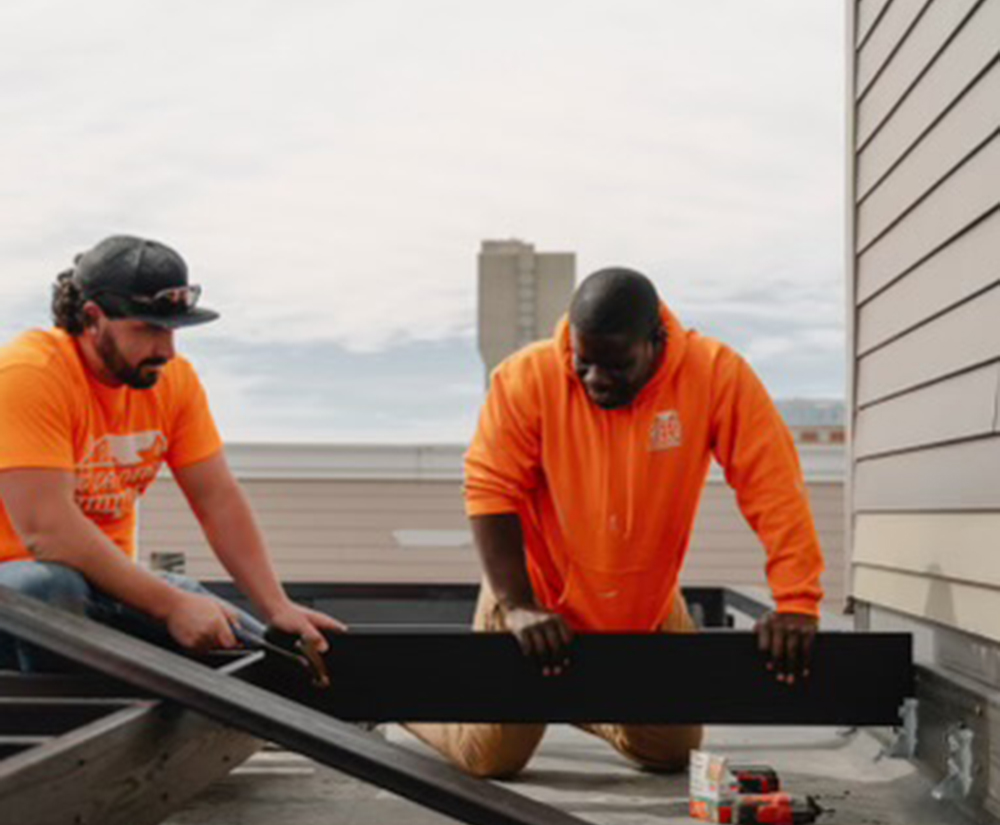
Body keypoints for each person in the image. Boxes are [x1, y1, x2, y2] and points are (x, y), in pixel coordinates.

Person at [407, 268, 824, 778]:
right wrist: (517, 605)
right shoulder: (526, 378)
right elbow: (491, 488)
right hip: (535, 595)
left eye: (617, 365)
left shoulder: (715, 375)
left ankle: (566, 700)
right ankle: (397, 700)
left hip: (643, 599)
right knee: (492, 759)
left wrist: (796, 602)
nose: (596, 380)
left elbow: (773, 485)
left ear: (657, 342)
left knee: (671, 750)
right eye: (584, 364)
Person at [0, 234, 342, 676]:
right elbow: (49, 534)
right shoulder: (29, 375)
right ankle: (56, 723)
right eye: (148, 329)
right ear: (93, 318)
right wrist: (172, 606)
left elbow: (216, 499)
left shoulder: (173, 381)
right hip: (17, 590)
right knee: (50, 586)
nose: (166, 350)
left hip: (103, 588)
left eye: (172, 330)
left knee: (247, 644)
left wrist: (276, 606)